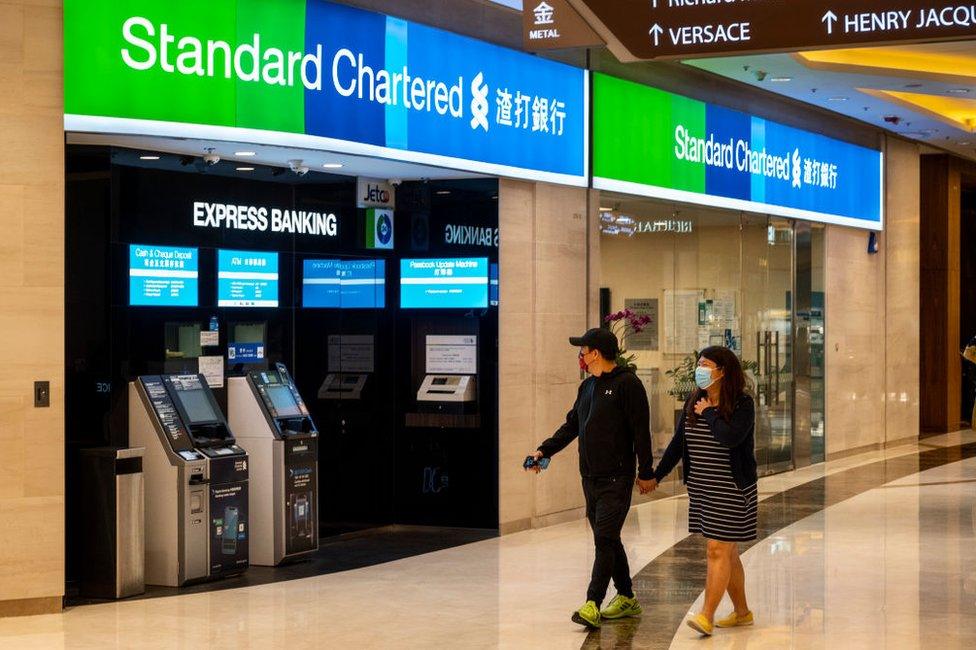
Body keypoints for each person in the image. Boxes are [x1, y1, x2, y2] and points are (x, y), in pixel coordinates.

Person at [526, 327, 656, 629]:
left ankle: (592, 603)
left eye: (582, 350)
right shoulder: (587, 388)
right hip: (590, 478)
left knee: (605, 540)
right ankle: (626, 596)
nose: (580, 356)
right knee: (607, 538)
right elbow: (572, 425)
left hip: (617, 478)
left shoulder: (628, 384)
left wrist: (646, 471)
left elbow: (641, 431)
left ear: (595, 353)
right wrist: (544, 451)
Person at [652, 346, 758, 637]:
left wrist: (710, 414)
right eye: (698, 363)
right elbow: (678, 444)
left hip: (732, 490)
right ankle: (742, 613)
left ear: (722, 371)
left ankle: (706, 615)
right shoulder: (694, 399)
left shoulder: (742, 404)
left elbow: (730, 437)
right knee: (728, 552)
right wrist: (656, 475)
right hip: (702, 488)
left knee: (717, 549)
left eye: (705, 364)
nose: (699, 369)